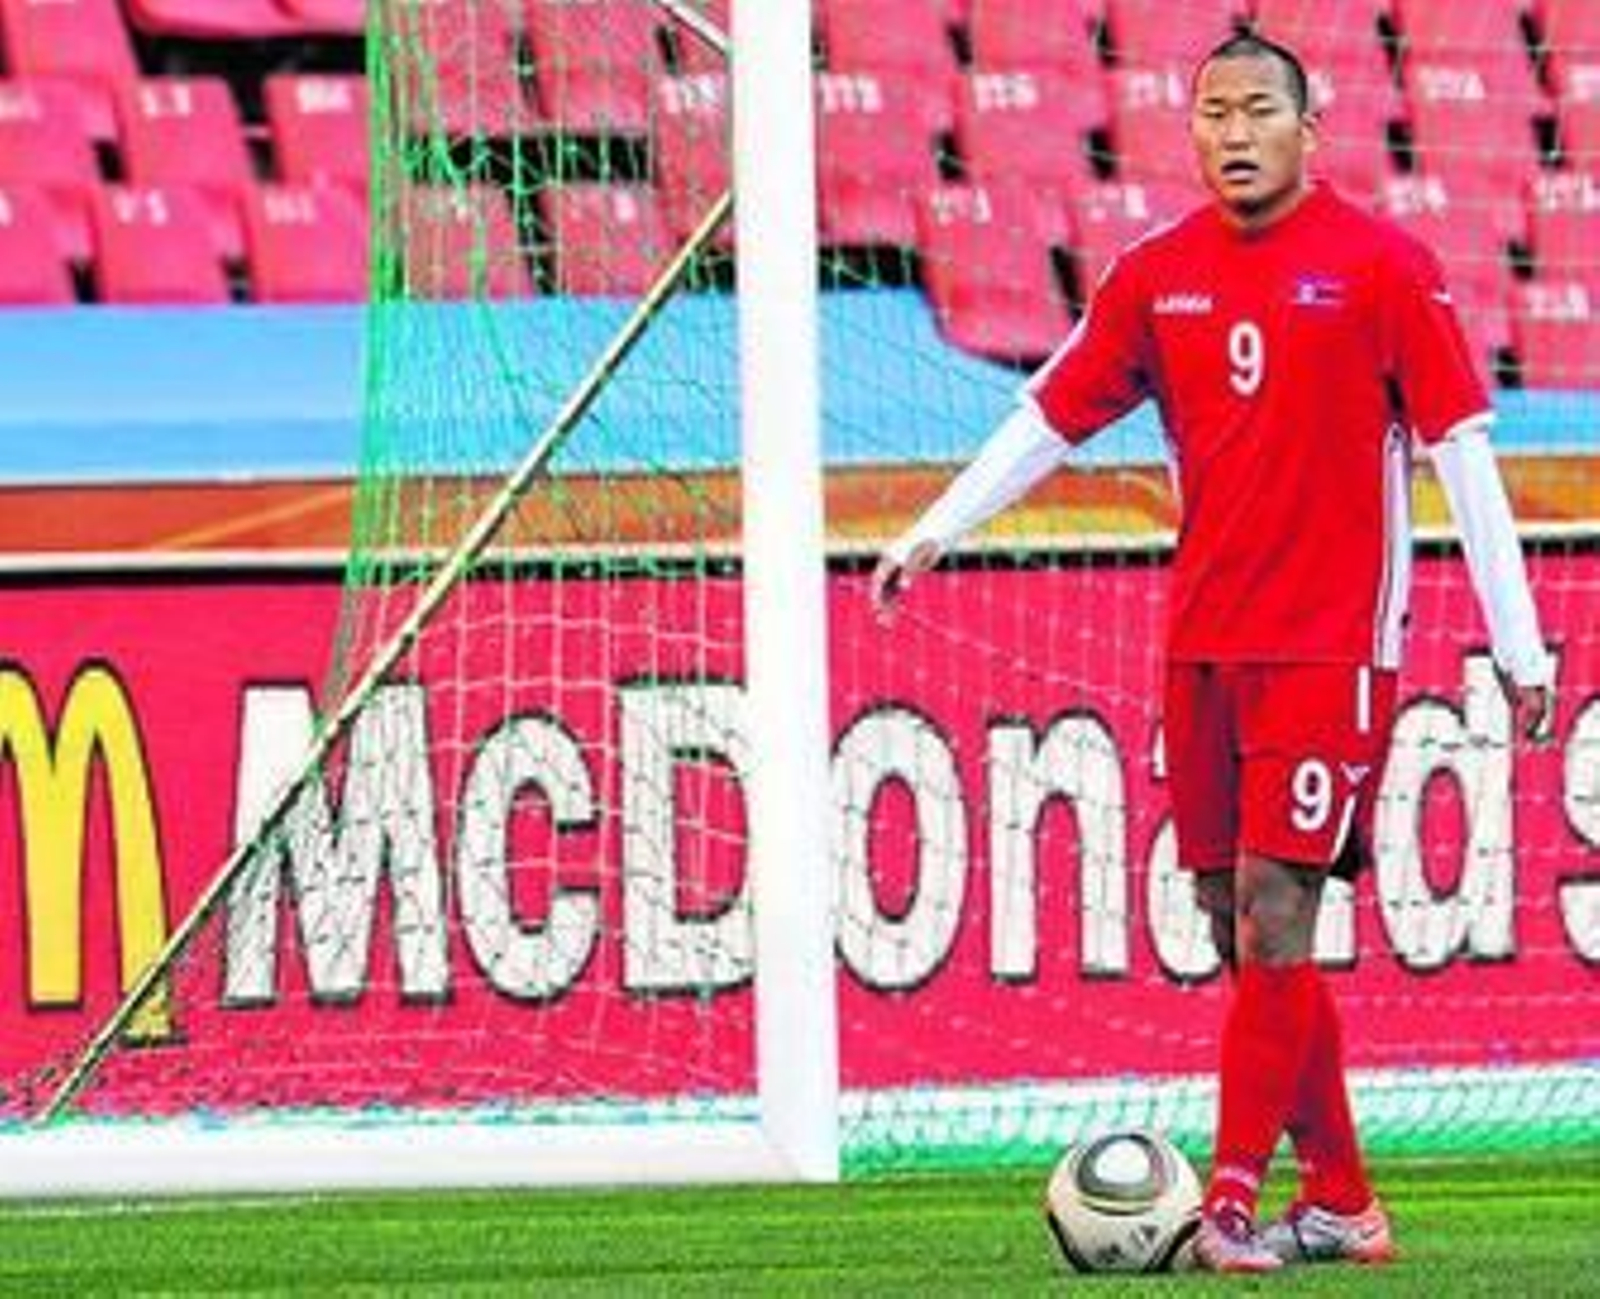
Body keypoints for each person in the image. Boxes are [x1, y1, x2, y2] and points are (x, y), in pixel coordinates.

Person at [870, 30, 1556, 1274]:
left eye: (1256, 111)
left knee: (1274, 907)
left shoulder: (1383, 268)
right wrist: (934, 528)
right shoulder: (1157, 274)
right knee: (1229, 926)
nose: (1233, 134)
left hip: (1330, 645)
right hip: (1202, 644)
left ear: (1311, 128)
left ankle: (1231, 1201)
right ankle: (1342, 1199)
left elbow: (1463, 451)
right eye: (1211, 115)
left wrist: (1521, 645)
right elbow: (1049, 415)